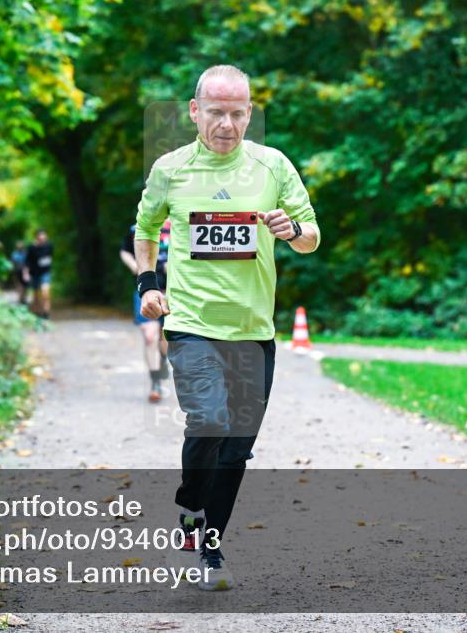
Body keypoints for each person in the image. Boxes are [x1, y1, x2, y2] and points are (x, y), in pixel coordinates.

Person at [134, 65, 320, 591]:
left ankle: (209, 546)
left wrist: (294, 230)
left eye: (238, 114)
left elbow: (312, 235)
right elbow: (146, 228)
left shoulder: (273, 167)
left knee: (237, 446)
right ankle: (191, 507)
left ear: (249, 114)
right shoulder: (170, 169)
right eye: (216, 112)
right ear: (195, 112)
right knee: (210, 422)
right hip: (192, 322)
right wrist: (149, 283)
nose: (227, 124)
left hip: (254, 328)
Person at [120, 220, 172, 403]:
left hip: (172, 291)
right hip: (146, 291)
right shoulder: (137, 228)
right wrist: (134, 264)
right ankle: (155, 382)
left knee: (166, 338)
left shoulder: (181, 224)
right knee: (150, 336)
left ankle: (163, 360)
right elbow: (125, 250)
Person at [23, 229, 53, 319]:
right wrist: (26, 273)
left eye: (44, 238)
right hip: (34, 274)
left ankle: (46, 313)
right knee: (36, 295)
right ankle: (37, 313)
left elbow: (49, 257)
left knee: (45, 292)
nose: (42, 240)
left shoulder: (49, 246)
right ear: (37, 238)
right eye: (40, 238)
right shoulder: (31, 248)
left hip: (45, 273)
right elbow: (27, 262)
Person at [11, 240, 29, 305]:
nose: (20, 246)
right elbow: (13, 263)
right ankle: (20, 298)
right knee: (19, 285)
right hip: (17, 271)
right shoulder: (14, 254)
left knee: (25, 285)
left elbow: (28, 262)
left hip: (25, 271)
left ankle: (23, 298)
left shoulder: (26, 253)